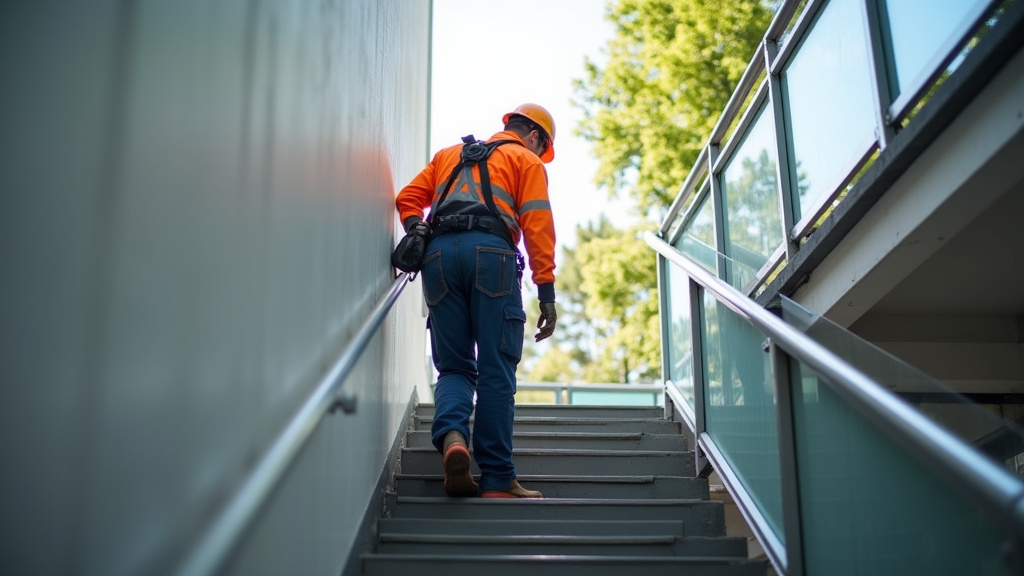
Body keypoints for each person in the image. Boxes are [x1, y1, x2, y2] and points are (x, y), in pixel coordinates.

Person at [395, 103, 558, 498]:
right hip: (492, 257)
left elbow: (408, 198)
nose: (539, 155)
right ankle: (498, 479)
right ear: (534, 136)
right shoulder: (526, 161)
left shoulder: (450, 155)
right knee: (495, 370)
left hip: (438, 258)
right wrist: (546, 293)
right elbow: (537, 226)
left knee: (453, 367)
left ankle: (454, 439)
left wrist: (418, 230)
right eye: (542, 147)